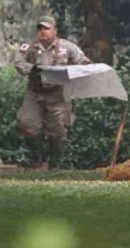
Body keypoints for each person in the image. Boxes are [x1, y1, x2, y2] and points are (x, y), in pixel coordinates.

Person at [14, 16, 90, 169]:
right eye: (40, 29)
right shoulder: (29, 48)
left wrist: (70, 71)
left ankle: (55, 164)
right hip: (35, 92)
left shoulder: (68, 48)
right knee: (27, 123)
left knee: (58, 129)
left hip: (58, 94)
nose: (42, 32)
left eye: (46, 28)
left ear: (55, 30)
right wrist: (33, 68)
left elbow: (84, 62)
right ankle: (37, 159)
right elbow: (19, 62)